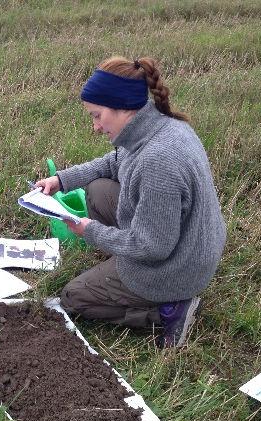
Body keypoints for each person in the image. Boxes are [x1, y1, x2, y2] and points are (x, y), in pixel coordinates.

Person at [34, 56, 226, 348]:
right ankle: (120, 266)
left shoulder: (157, 161)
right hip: (191, 242)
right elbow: (113, 163)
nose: (95, 127)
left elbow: (153, 248)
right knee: (97, 190)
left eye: (97, 115)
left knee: (74, 296)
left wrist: (90, 231)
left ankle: (168, 310)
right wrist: (62, 179)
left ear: (122, 107)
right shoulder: (157, 126)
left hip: (176, 267)